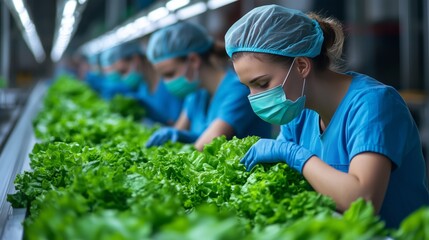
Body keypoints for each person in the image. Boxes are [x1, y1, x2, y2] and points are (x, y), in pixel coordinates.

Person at [224, 5, 429, 228]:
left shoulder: (373, 105)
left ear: (301, 65)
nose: (253, 97)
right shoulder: (298, 115)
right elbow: (283, 185)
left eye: (262, 84)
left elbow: (362, 203)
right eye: (248, 87)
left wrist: (294, 155)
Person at [145, 22, 272, 151]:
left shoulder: (238, 90)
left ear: (194, 60)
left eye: (170, 74)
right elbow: (178, 130)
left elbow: (201, 149)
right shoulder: (196, 95)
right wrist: (177, 135)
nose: (166, 82)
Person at [100, 42, 183, 125]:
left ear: (136, 59)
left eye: (124, 71)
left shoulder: (172, 81)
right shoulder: (142, 88)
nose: (123, 78)